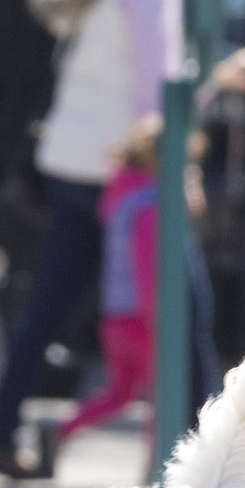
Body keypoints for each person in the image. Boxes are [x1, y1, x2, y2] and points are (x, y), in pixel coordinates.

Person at [0, 0, 184, 478]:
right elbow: (157, 83)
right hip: (125, 166)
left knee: (49, 305)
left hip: (69, 159)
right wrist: (174, 165)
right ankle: (183, 451)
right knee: (175, 307)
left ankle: (2, 433)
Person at [59, 116, 161, 442]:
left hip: (114, 315)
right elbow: (146, 268)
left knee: (120, 393)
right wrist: (156, 316)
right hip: (142, 317)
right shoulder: (149, 204)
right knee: (163, 394)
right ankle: (159, 459)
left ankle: (62, 430)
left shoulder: (121, 200)